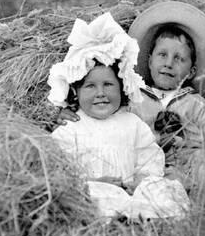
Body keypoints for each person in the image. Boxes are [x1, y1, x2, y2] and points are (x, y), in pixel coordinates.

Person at [56, 1, 205, 190]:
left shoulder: (196, 104)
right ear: (149, 60)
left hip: (188, 170)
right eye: (162, 55)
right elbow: (104, 113)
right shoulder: (134, 99)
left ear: (192, 71)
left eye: (179, 59)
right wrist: (69, 112)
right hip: (147, 171)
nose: (169, 63)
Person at [47, 12, 190, 220]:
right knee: (94, 198)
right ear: (75, 92)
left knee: (161, 189)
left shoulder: (131, 122)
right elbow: (60, 172)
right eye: (90, 87)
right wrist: (95, 182)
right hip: (94, 191)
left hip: (131, 191)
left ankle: (144, 220)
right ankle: (116, 221)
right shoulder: (71, 127)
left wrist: (141, 180)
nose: (100, 94)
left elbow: (148, 156)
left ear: (121, 88)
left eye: (108, 85)